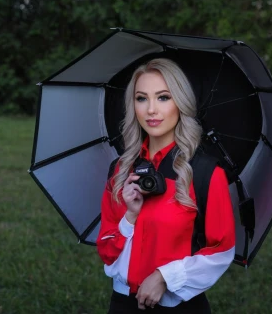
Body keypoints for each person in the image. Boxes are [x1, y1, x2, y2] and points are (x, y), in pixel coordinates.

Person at [96, 58, 236, 314]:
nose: (151, 109)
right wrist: (130, 216)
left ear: (180, 103)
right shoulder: (120, 170)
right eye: (141, 98)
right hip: (122, 304)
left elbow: (221, 251)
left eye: (163, 97)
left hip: (179, 306)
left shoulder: (205, 173)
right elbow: (106, 248)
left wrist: (164, 276)